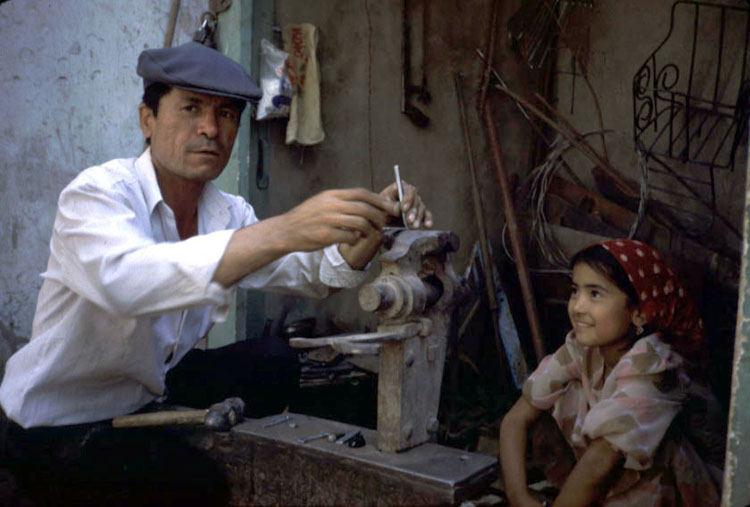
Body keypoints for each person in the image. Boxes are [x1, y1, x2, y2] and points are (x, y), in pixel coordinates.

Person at [0, 41, 433, 430]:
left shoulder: (225, 211)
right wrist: (283, 229)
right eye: (191, 108)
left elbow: (318, 274)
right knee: (201, 485)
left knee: (275, 360)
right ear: (147, 120)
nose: (210, 128)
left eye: (225, 114)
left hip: (148, 394)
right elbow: (125, 283)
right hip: (61, 420)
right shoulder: (97, 193)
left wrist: (375, 225)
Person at [499, 239, 723, 507]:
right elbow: (516, 419)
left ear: (639, 314)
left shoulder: (654, 364)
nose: (577, 307)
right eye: (574, 290)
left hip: (666, 493)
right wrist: (519, 497)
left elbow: (600, 463)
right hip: (609, 482)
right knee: (564, 392)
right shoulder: (582, 349)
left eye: (595, 294)